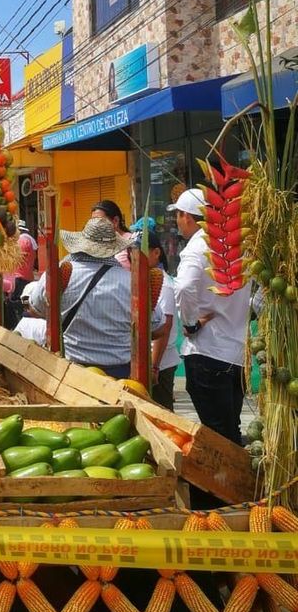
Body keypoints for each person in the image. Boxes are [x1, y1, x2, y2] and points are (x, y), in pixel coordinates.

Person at [26, 217, 164, 378]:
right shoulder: (131, 282)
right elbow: (157, 326)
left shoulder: (57, 272)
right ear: (113, 247)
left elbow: (35, 309)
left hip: (70, 371)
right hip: (120, 375)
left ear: (81, 243)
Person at [170, 188, 247, 446]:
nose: (177, 222)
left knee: (216, 437)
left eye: (178, 216)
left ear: (188, 217)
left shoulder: (198, 246)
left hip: (207, 353)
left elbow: (183, 286)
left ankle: (225, 486)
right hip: (236, 353)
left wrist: (190, 323)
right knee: (230, 430)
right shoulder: (235, 242)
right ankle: (238, 483)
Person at [146, 231, 179, 411]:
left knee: (162, 415)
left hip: (160, 363)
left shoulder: (163, 284)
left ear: (156, 252)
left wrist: (154, 367)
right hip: (151, 361)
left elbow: (164, 328)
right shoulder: (147, 278)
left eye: (142, 251)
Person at [3, 219, 38, 329]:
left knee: (15, 303)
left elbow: (15, 258)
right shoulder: (31, 240)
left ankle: (18, 326)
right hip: (28, 276)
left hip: (19, 277)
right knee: (23, 302)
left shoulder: (22, 241)